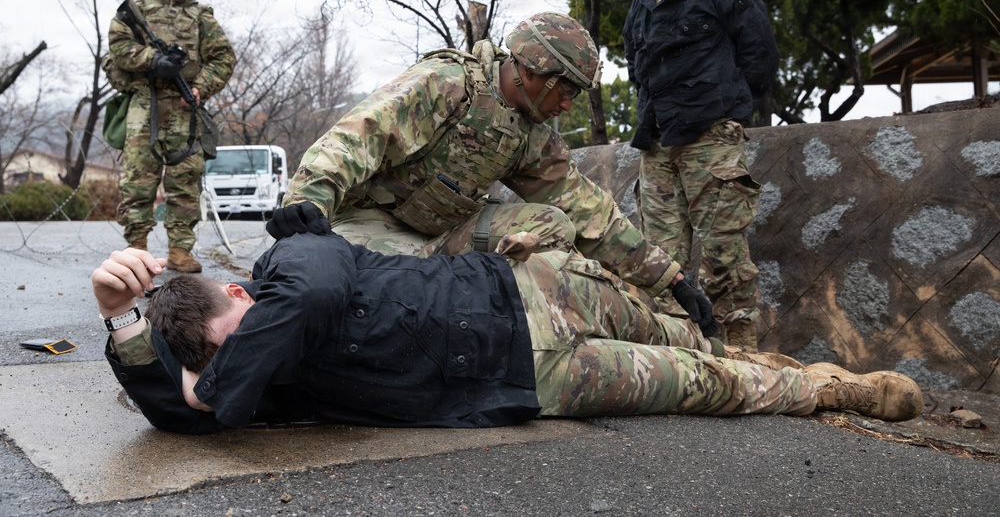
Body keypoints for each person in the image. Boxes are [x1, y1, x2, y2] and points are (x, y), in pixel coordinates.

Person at [92, 229, 923, 434]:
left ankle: (758, 353)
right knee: (699, 385)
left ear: (240, 289)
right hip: (530, 374)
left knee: (690, 342)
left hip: (533, 285)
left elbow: (307, 304)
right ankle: (825, 388)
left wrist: (213, 387)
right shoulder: (265, 381)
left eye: (236, 333)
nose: (246, 355)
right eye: (222, 358)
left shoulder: (293, 260)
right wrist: (118, 317)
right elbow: (179, 417)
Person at [271, 12, 711, 334]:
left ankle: (505, 317)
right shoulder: (448, 83)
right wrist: (308, 200)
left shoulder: (529, 134)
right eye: (566, 90)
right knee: (373, 287)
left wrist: (672, 279)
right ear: (535, 71)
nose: (567, 105)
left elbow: (588, 209)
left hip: (443, 235)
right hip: (370, 223)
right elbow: (360, 136)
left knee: (553, 224)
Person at [623, 0, 780, 350]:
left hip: (711, 139)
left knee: (723, 251)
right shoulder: (640, 5)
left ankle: (739, 352)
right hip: (657, 144)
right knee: (658, 258)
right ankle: (673, 351)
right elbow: (635, 64)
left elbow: (761, 59)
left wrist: (724, 108)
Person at [106, 0, 236, 273]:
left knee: (186, 180)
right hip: (145, 104)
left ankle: (180, 250)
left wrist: (200, 87)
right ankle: (136, 248)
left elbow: (224, 57)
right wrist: (154, 60)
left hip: (184, 106)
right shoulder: (139, 9)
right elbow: (118, 47)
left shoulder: (201, 17)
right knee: (138, 180)